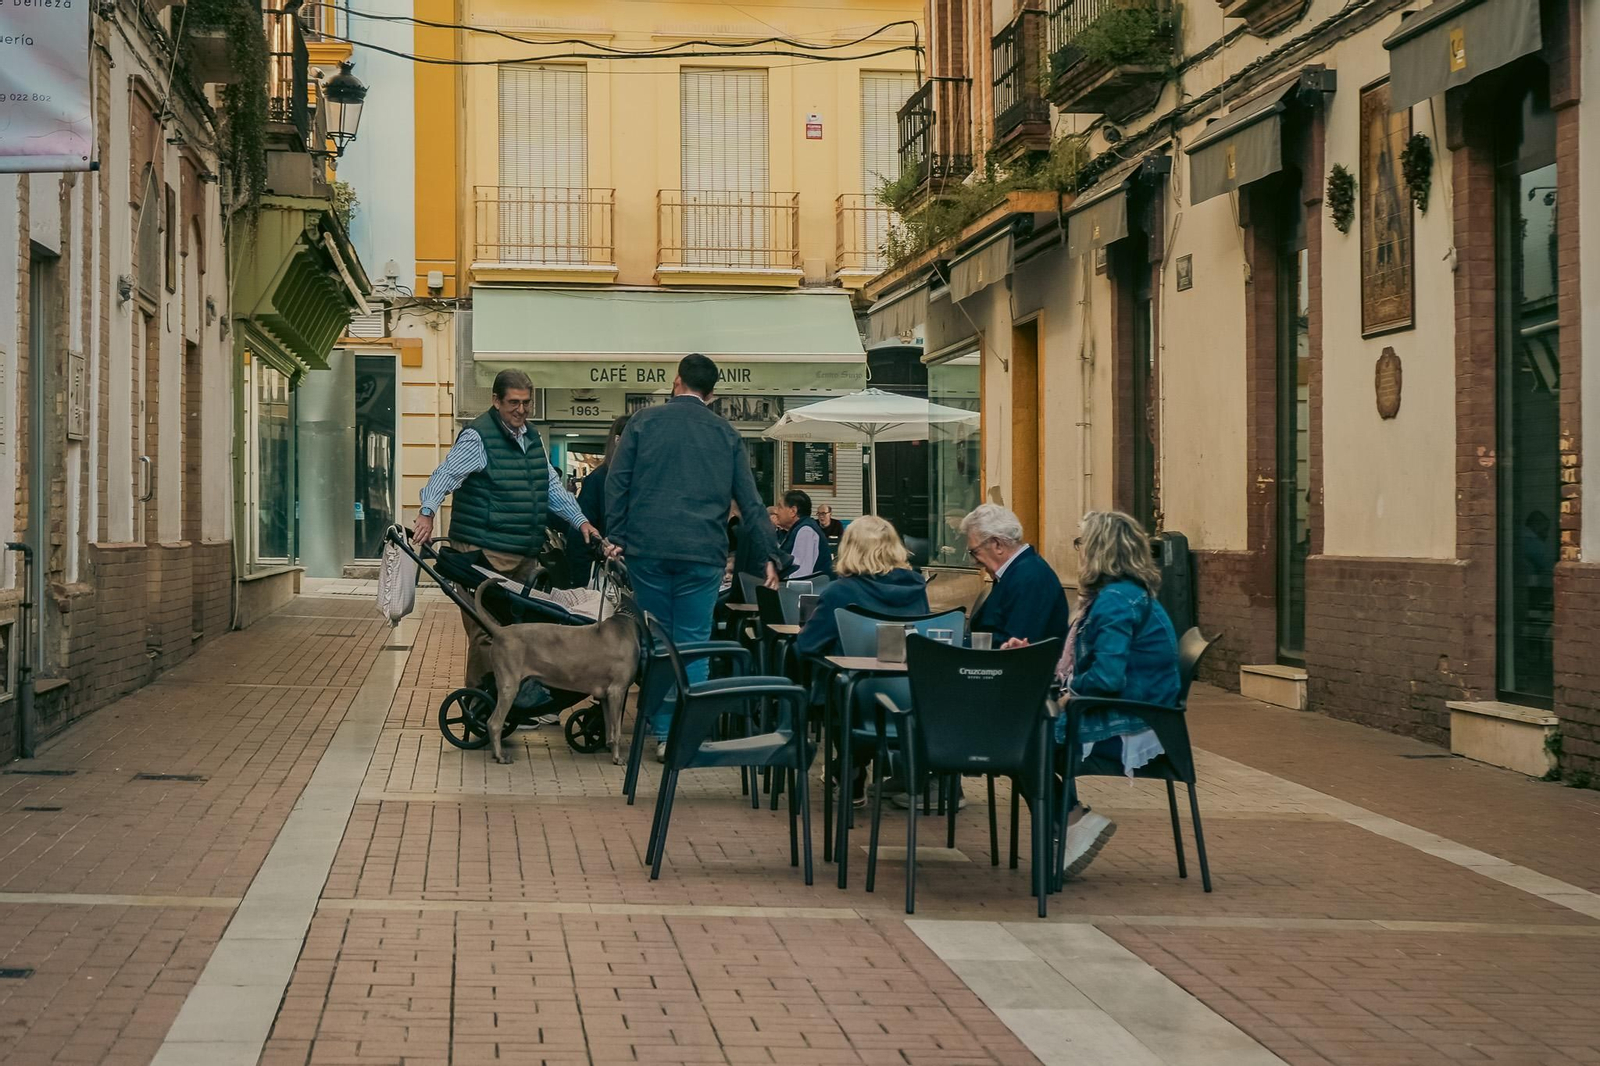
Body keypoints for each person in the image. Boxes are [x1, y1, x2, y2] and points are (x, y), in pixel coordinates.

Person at [607, 353, 785, 759]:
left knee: (656, 639)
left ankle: (660, 725)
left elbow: (618, 481)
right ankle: (684, 735)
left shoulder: (643, 422)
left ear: (676, 381)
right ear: (713, 393)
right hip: (703, 554)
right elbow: (752, 502)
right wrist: (770, 555)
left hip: (647, 550)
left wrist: (618, 533)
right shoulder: (726, 434)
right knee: (694, 642)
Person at [413, 369, 600, 722]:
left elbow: (550, 488)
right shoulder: (478, 437)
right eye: (513, 402)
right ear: (496, 401)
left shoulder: (531, 439)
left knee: (522, 634)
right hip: (484, 551)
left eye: (526, 403)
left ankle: (514, 701)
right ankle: (481, 704)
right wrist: (426, 512)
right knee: (488, 633)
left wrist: (580, 521)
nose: (521, 410)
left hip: (523, 553)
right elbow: (445, 475)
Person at [1007, 511, 1180, 880]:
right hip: (1141, 711)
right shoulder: (1124, 594)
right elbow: (1093, 662)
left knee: (1017, 743)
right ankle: (1068, 825)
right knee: (1020, 737)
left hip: (1132, 720)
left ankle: (1073, 821)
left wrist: (1070, 696)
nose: (1078, 550)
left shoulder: (1115, 600)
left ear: (1099, 549)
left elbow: (1107, 676)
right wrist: (1034, 655)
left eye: (1081, 542)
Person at [796, 516, 928, 660]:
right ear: (895, 547)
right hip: (910, 678)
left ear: (849, 548)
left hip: (854, 677)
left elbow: (808, 645)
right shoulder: (916, 587)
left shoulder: (839, 591)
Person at [963, 504, 1071, 645]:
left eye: (975, 552)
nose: (974, 562)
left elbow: (1016, 643)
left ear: (997, 545)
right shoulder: (1018, 573)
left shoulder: (1031, 577)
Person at [775, 489, 834, 582]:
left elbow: (800, 577)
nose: (776, 511)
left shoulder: (806, 531)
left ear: (793, 511)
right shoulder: (799, 529)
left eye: (780, 507)